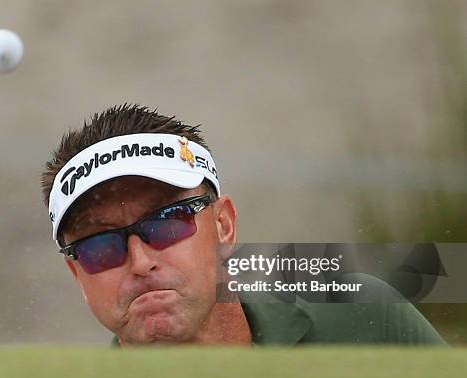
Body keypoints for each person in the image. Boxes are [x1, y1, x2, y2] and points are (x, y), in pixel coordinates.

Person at [40, 104, 446, 346]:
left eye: (167, 221)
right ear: (77, 271)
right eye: (99, 245)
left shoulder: (361, 317)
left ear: (224, 226)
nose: (140, 261)